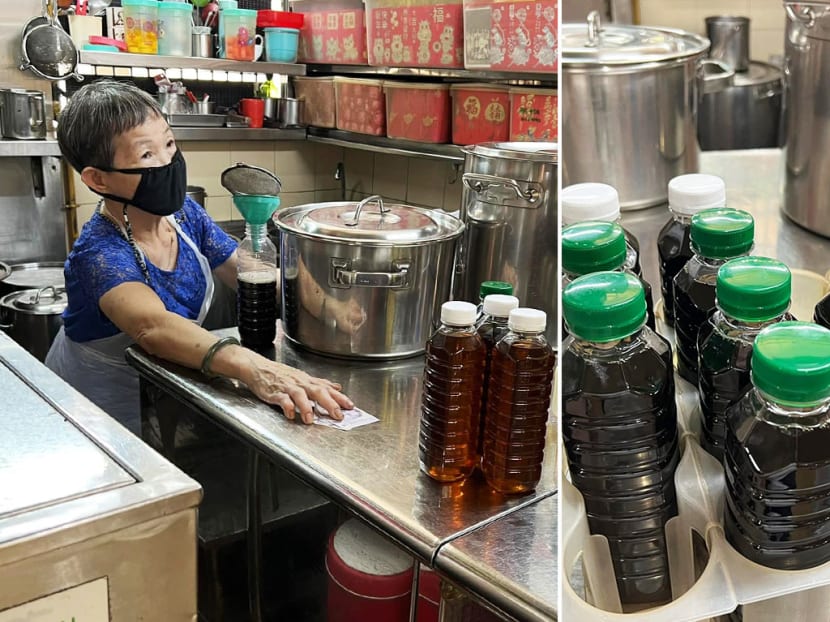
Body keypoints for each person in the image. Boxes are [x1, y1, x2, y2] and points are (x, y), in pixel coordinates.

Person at [46, 79, 353, 435]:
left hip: (159, 392)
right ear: (98, 179)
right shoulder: (99, 253)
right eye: (147, 155)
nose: (169, 162)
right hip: (94, 408)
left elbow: (249, 266)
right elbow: (152, 327)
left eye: (170, 144)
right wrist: (256, 369)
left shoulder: (186, 217)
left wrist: (331, 309)